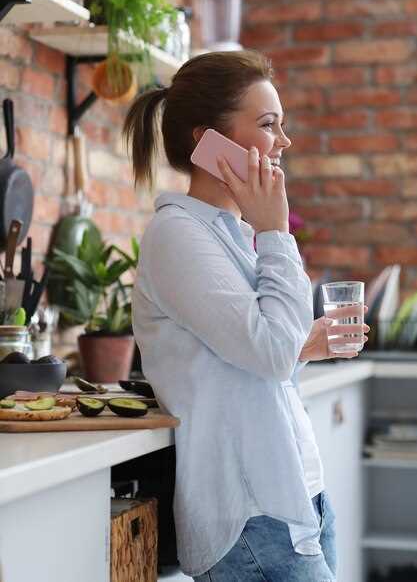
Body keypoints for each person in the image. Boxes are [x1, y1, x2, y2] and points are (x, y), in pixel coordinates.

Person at [123, 50, 370, 582]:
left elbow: (260, 366)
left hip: (298, 501)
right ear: (205, 141)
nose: (284, 142)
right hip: (251, 519)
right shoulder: (179, 236)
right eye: (268, 125)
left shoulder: (230, 235)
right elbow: (270, 354)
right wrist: (277, 231)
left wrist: (306, 345)